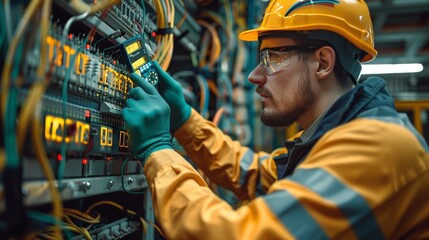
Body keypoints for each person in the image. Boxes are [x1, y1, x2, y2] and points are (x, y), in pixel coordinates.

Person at [122, 0, 429, 239]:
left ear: (323, 62)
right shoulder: (327, 140)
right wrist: (185, 120)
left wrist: (158, 150)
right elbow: (253, 175)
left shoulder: (377, 148)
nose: (255, 76)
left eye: (272, 57)